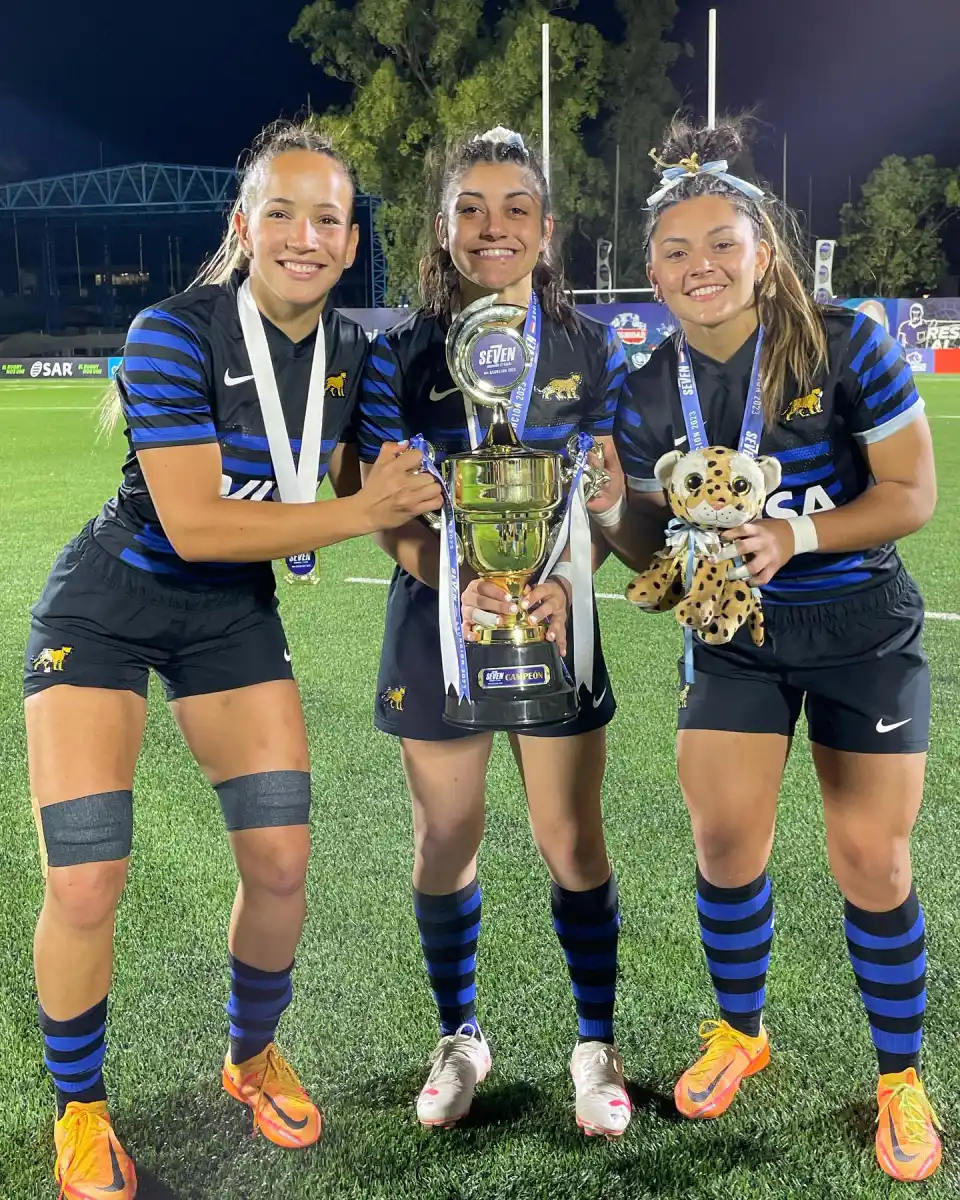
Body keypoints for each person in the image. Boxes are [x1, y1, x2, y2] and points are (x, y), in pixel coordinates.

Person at [24, 120, 441, 1200]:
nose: (306, 235)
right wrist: (364, 510)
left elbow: (392, 509)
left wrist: (474, 569)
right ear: (244, 225)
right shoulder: (172, 330)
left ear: (352, 244)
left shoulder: (364, 355)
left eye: (330, 218)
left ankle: (248, 1056)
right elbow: (200, 523)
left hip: (230, 621)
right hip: (110, 606)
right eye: (283, 211)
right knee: (86, 876)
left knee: (282, 866)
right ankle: (80, 1108)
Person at [596, 116, 942, 1183]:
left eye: (722, 245)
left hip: (858, 631)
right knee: (726, 845)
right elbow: (651, 548)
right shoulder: (641, 385)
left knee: (872, 860)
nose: (702, 266)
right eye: (677, 251)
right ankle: (741, 1031)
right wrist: (614, 512)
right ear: (650, 270)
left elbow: (912, 496)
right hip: (733, 638)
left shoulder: (845, 343)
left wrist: (801, 532)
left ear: (765, 251)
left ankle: (899, 1077)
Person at [355, 127, 633, 1138]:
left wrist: (569, 579)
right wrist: (456, 584)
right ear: (443, 229)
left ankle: (593, 1043)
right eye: (471, 208)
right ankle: (459, 1035)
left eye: (516, 208)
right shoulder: (401, 355)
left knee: (572, 841)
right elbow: (385, 509)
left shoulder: (587, 349)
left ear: (548, 230)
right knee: (445, 840)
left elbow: (601, 498)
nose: (494, 227)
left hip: (556, 620)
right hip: (438, 623)